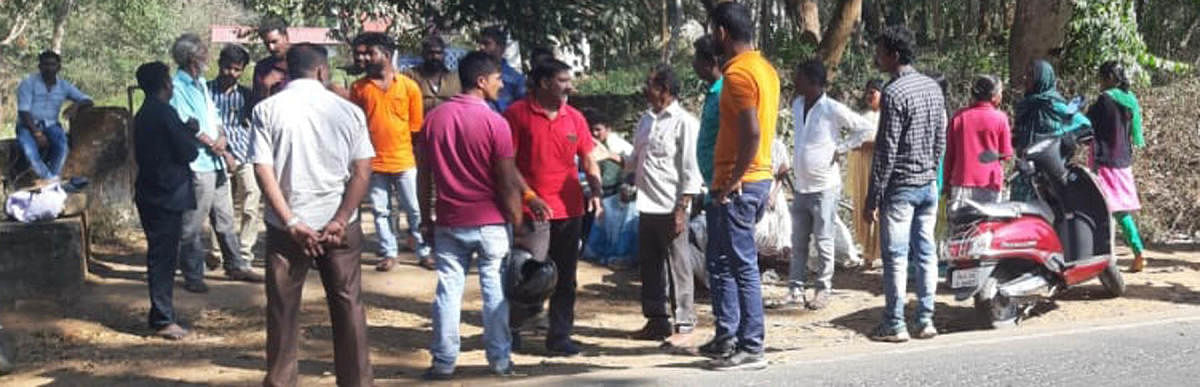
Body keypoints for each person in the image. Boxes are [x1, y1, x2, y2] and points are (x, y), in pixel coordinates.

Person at [251, 43, 375, 386]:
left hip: (286, 228)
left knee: (283, 310)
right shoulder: (348, 112)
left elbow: (263, 170)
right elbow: (363, 171)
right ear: (322, 71)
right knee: (349, 305)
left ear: (288, 71)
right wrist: (340, 218)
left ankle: (281, 381)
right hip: (340, 225)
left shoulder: (267, 110)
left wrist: (290, 220)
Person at [419, 51, 524, 381]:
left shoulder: (435, 118)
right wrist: (517, 220)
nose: (501, 84)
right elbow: (507, 181)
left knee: (448, 291)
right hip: (491, 221)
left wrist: (425, 218)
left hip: (450, 219)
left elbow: (424, 174)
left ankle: (444, 361)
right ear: (481, 81)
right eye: (497, 78)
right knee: (494, 290)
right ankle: (500, 360)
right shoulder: (496, 122)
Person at [698, 1, 779, 371]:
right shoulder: (766, 69)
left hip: (741, 183)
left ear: (721, 33)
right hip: (753, 180)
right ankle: (733, 337)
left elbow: (752, 132)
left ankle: (751, 345)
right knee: (730, 263)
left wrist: (732, 182)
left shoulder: (738, 76)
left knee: (743, 265)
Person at [504, 58, 604, 356]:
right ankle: (513, 329)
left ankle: (559, 336)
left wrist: (595, 185)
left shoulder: (574, 117)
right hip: (533, 212)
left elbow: (588, 156)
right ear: (545, 83)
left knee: (565, 278)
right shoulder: (517, 115)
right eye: (562, 81)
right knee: (530, 277)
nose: (569, 86)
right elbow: (507, 164)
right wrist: (529, 196)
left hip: (570, 210)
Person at [863, 26, 947, 343]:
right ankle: (925, 320)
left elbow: (886, 150)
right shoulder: (932, 88)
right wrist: (931, 172)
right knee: (925, 253)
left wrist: (873, 198)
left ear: (894, 55)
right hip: (927, 183)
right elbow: (941, 138)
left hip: (900, 187)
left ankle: (895, 323)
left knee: (896, 257)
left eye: (880, 52)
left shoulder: (894, 94)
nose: (876, 57)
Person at [169, 34, 263, 292]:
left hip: (217, 162)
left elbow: (215, 116)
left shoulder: (199, 83)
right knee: (194, 222)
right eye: (203, 52)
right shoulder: (178, 86)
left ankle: (236, 265)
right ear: (192, 58)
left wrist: (222, 138)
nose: (207, 57)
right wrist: (215, 145)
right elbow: (187, 123)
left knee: (224, 218)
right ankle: (193, 274)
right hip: (199, 163)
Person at [781, 59, 874, 311]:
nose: (794, 81)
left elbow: (864, 128)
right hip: (801, 186)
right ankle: (795, 289)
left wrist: (841, 149)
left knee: (823, 240)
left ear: (812, 81)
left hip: (824, 186)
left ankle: (823, 288)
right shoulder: (798, 104)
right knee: (798, 241)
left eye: (799, 77)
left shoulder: (831, 109)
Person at [628, 64, 703, 349]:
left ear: (666, 91)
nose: (645, 90)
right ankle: (657, 319)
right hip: (647, 204)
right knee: (650, 265)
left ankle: (684, 323)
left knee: (678, 265)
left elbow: (690, 169)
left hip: (671, 206)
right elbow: (636, 158)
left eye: (651, 85)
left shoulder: (685, 122)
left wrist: (683, 208)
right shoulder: (646, 120)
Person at [348, 32, 430, 271]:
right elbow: (356, 125)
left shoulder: (409, 87)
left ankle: (424, 251)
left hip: (404, 160)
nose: (365, 58)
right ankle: (388, 253)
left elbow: (416, 128)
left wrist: (413, 156)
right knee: (380, 211)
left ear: (386, 55)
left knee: (414, 210)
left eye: (371, 53)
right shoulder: (359, 88)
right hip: (374, 162)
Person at [132, 61, 200, 340]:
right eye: (169, 80)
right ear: (164, 84)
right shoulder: (164, 112)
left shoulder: (145, 114)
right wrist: (190, 132)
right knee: (162, 257)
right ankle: (162, 318)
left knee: (160, 254)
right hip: (166, 194)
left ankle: (160, 313)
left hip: (152, 192)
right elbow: (187, 152)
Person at [1087, 61, 1147, 272]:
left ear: (1111, 77)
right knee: (1121, 211)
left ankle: (1107, 259)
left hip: (1105, 162)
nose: (1100, 83)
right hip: (1123, 162)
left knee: (1102, 210)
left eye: (1102, 78)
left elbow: (1088, 124)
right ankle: (1138, 252)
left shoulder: (1105, 100)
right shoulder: (1130, 100)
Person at [207, 44, 261, 271]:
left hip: (244, 153)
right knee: (220, 205)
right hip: (215, 154)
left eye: (238, 70)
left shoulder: (246, 95)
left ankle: (245, 251)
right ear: (220, 65)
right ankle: (217, 252)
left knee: (252, 197)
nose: (232, 74)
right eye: (228, 68)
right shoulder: (206, 91)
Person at [1011, 60, 1091, 202]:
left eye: (1030, 75)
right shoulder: (1025, 105)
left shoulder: (1053, 104)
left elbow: (1084, 125)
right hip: (1024, 169)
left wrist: (1065, 137)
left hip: (1047, 171)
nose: (1025, 79)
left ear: (1042, 79)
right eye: (1026, 75)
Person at [15, 50, 93, 183]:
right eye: (45, 64)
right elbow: (24, 111)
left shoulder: (63, 86)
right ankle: (52, 181)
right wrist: (37, 134)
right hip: (28, 126)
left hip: (51, 125)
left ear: (58, 67)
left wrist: (76, 105)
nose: (49, 68)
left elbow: (88, 100)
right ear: (40, 67)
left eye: (52, 64)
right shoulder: (28, 83)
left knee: (62, 146)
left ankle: (50, 180)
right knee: (29, 152)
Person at [944, 75, 1012, 210]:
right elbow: (1006, 155)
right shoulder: (1001, 119)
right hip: (989, 183)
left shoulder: (959, 117)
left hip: (961, 183)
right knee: (988, 227)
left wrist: (946, 182)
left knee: (961, 229)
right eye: (1000, 92)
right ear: (994, 96)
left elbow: (949, 154)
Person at [848, 79, 883, 263]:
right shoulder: (863, 117)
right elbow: (852, 142)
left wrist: (869, 144)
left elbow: (885, 142)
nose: (870, 96)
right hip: (862, 166)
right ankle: (868, 251)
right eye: (868, 92)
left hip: (877, 166)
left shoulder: (887, 117)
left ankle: (879, 250)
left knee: (877, 205)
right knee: (863, 204)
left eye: (874, 92)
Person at [691, 34, 724, 197]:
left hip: (724, 187)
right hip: (712, 185)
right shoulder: (713, 92)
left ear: (711, 62)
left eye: (697, 59)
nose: (693, 64)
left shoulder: (725, 92)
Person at [403, 34, 462, 114]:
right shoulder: (410, 76)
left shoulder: (455, 78)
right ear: (423, 54)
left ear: (444, 55)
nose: (435, 57)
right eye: (430, 53)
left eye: (439, 53)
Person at [478, 26, 527, 113]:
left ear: (501, 47)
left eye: (487, 44)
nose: (481, 48)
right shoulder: (474, 73)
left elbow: (522, 110)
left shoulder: (516, 78)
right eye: (480, 44)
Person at [249, 17, 291, 110]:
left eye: (274, 42)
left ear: (286, 37)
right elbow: (257, 108)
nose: (271, 47)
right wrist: (265, 88)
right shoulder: (262, 68)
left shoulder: (302, 62)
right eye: (266, 44)